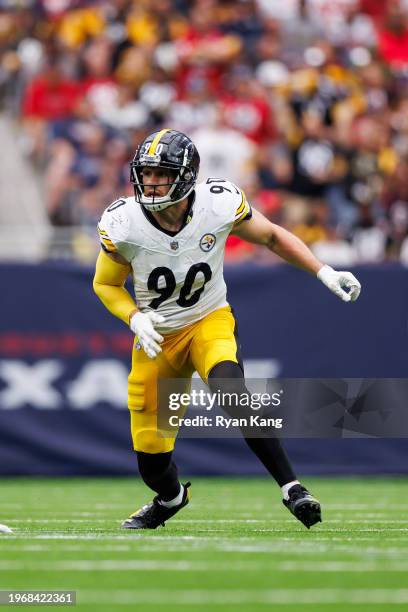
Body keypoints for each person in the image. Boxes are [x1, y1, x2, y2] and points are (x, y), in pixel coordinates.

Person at [93, 128, 361, 530]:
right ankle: (170, 498)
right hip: (157, 337)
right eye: (145, 173)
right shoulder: (124, 223)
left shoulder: (217, 205)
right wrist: (134, 316)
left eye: (160, 174)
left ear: (186, 177)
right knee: (151, 456)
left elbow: (270, 236)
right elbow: (105, 283)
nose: (149, 182)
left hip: (208, 318)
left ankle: (292, 487)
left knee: (232, 390)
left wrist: (322, 270)